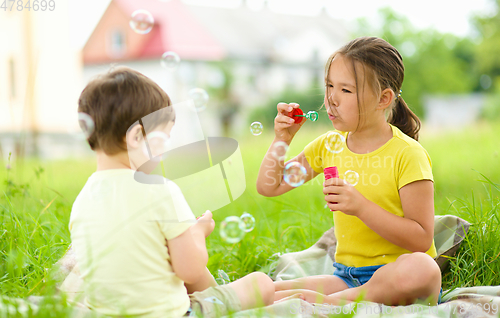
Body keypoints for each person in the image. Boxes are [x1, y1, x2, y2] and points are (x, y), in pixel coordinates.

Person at [70, 66, 274, 318]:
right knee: (261, 283)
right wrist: (198, 233)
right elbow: (189, 270)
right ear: (136, 136)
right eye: (161, 140)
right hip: (172, 314)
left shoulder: (82, 200)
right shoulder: (160, 189)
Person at [257, 37, 442, 306]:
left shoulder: (407, 154)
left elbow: (421, 239)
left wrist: (361, 207)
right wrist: (282, 140)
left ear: (383, 98)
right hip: (348, 277)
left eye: (345, 90)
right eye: (330, 86)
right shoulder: (328, 146)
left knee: (423, 268)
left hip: (399, 276)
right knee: (271, 291)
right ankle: (340, 299)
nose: (331, 98)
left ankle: (331, 302)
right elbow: (269, 185)